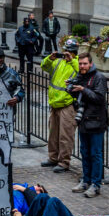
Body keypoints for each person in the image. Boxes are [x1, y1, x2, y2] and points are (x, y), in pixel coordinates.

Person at [69, 52, 108, 197]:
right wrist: (72, 89)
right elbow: (78, 97)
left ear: (91, 64)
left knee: (95, 154)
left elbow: (99, 98)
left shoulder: (99, 78)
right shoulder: (80, 76)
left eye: (85, 63)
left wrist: (83, 89)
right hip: (83, 120)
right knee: (84, 152)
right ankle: (86, 180)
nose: (82, 66)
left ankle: (95, 184)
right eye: (80, 64)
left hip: (96, 121)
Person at [40, 39, 79, 172]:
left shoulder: (77, 63)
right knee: (53, 134)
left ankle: (63, 162)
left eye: (69, 51)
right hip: (54, 103)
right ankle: (53, 158)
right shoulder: (58, 61)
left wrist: (72, 61)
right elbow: (44, 66)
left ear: (74, 52)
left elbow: (81, 71)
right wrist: (49, 58)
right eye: (65, 50)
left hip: (67, 104)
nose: (66, 53)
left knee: (65, 136)